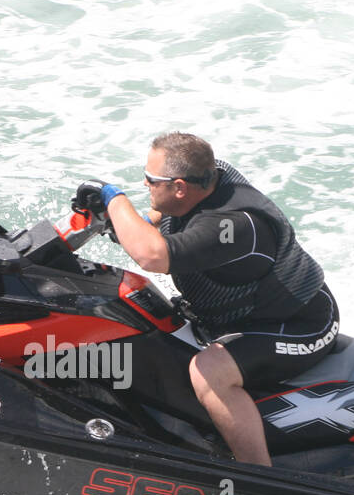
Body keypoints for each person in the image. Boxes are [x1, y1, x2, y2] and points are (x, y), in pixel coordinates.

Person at [78, 132, 338, 466]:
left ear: (180, 187)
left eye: (150, 180)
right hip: (242, 316)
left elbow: (152, 255)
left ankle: (260, 477)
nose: (144, 185)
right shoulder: (205, 182)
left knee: (209, 372)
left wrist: (114, 198)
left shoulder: (233, 226)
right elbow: (162, 219)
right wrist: (128, 224)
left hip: (302, 325)